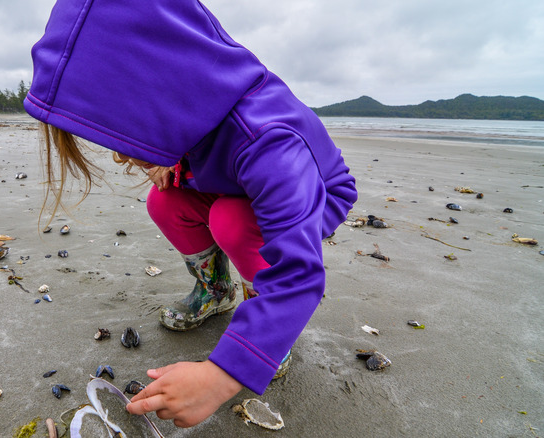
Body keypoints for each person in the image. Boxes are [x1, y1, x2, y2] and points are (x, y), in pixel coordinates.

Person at [24, 0, 357, 428]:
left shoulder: (269, 140)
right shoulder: (191, 102)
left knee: (232, 222)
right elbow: (208, 147)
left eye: (120, 131)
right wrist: (174, 161)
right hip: (231, 180)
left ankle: (270, 328)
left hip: (316, 193)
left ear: (161, 94)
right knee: (165, 201)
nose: (117, 152)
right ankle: (214, 291)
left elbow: (299, 272)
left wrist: (223, 375)